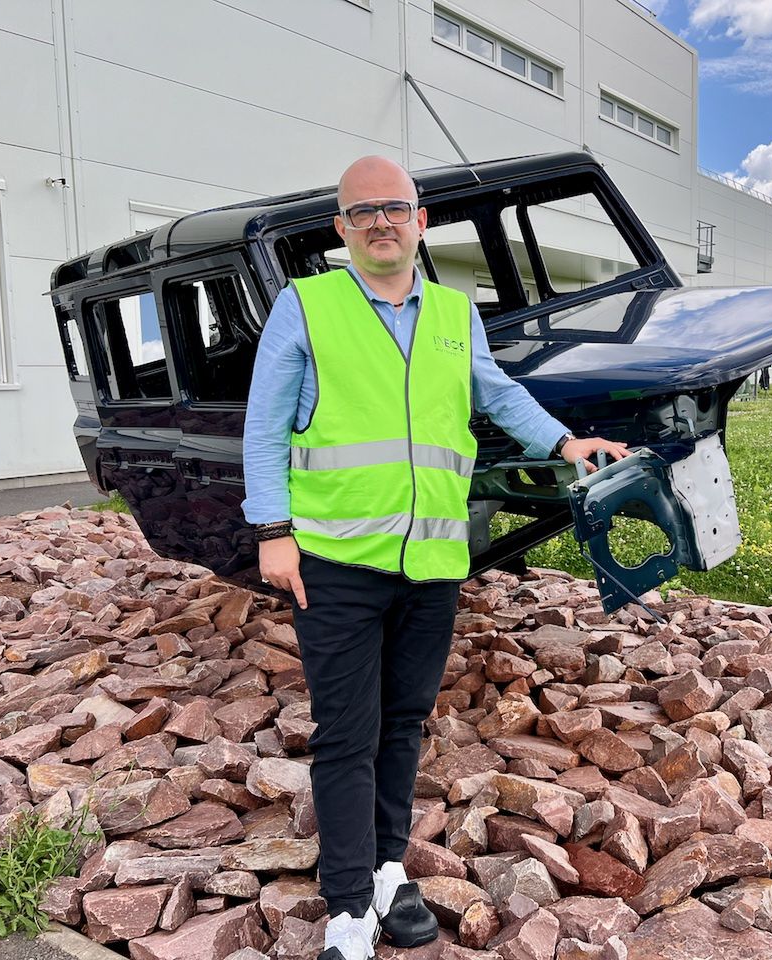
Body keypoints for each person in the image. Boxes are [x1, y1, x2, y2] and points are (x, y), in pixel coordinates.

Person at [242, 155, 629, 960]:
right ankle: (350, 910)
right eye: (362, 213)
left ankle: (387, 867)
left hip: (434, 562)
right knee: (347, 733)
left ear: (421, 221)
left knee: (405, 722)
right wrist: (271, 531)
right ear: (341, 231)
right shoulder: (305, 306)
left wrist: (563, 441)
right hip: (337, 563)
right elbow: (264, 425)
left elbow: (495, 393)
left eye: (395, 208)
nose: (381, 223)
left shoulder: (455, 311)